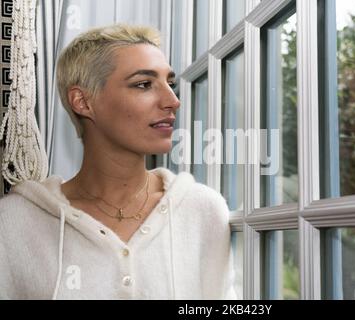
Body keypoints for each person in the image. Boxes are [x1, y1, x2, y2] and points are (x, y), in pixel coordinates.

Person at [0, 24, 236, 300]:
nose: (173, 100)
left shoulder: (202, 210)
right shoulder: (13, 222)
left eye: (169, 83)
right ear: (83, 102)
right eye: (144, 84)